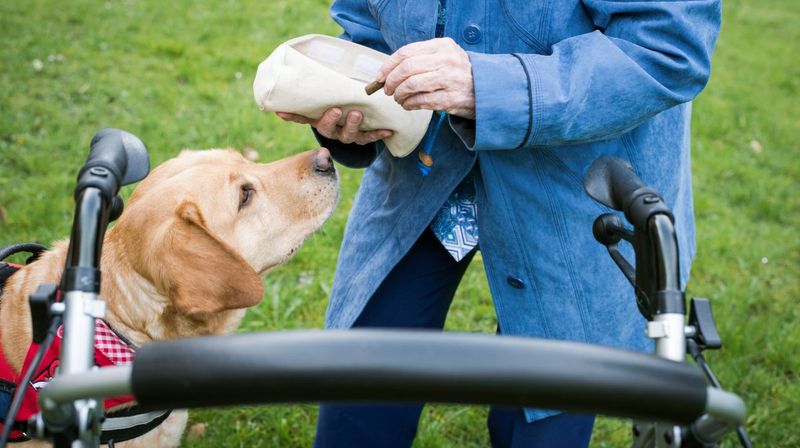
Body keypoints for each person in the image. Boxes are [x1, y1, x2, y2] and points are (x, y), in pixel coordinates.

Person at [277, 0, 721, 446]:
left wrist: (487, 87)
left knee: (539, 420)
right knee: (360, 390)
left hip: (572, 193)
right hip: (421, 174)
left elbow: (668, 48)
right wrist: (354, 98)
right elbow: (367, 22)